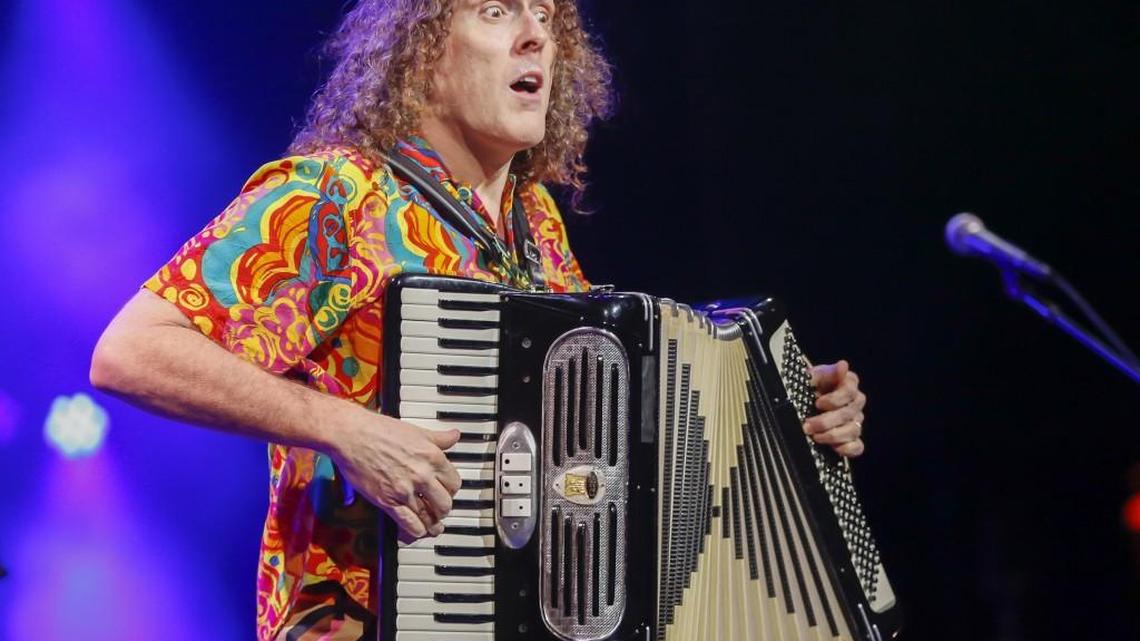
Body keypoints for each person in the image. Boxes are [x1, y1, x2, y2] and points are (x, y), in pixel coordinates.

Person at [89, 1, 868, 639]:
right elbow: (131, 350)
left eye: (546, 15)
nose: (537, 33)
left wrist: (779, 420)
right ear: (422, 48)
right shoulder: (338, 193)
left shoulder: (537, 228)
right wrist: (343, 427)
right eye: (498, 12)